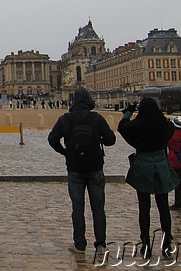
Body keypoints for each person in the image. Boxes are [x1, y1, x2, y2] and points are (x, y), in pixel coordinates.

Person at [48, 88, 116, 254]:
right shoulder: (97, 118)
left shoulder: (66, 119)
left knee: (77, 208)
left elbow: (52, 139)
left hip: (75, 168)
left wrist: (65, 152)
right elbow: (110, 140)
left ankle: (79, 244)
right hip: (95, 168)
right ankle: (100, 244)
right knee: (98, 208)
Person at [117, 98, 180, 259]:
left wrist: (128, 113)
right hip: (160, 164)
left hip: (143, 165)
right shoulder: (164, 125)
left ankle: (145, 243)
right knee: (163, 207)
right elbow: (171, 127)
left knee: (144, 208)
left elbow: (122, 127)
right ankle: (167, 244)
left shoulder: (138, 125)